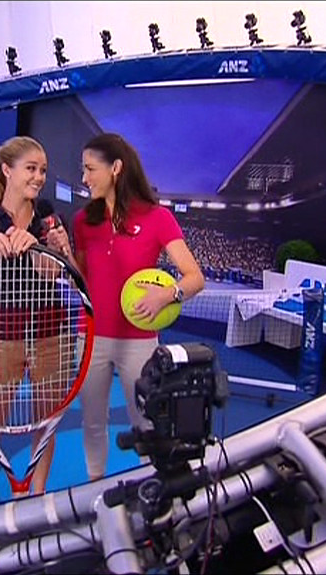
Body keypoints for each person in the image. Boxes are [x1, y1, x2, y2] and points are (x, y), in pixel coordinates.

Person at [70, 132, 206, 481]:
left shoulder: (159, 218)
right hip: (91, 338)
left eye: (90, 169)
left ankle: (155, 489)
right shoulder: (83, 221)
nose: (84, 178)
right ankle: (95, 486)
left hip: (140, 342)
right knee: (92, 422)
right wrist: (64, 255)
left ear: (116, 168)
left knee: (146, 421)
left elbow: (195, 278)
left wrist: (166, 295)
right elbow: (80, 280)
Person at [0, 135, 71, 511]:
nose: (39, 177)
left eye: (43, 170)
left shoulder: (48, 216)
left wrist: (40, 245)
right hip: (1, 338)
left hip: (52, 336)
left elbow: (53, 274)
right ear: (7, 170)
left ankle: (36, 497)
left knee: (46, 424)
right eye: (31, 168)